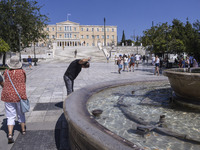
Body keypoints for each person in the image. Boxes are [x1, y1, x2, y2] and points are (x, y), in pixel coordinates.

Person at [1, 56, 27, 144]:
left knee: (10, 115)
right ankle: (23, 130)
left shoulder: (6, 72)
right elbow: (24, 82)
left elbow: (4, 80)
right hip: (19, 95)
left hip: (8, 95)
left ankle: (10, 134)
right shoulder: (22, 72)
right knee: (21, 113)